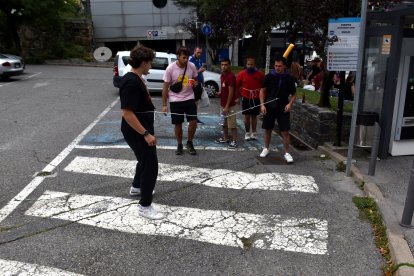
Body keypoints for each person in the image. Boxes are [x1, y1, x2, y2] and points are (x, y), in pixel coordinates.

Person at [119, 45, 163, 220]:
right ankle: (145, 206)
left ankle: (137, 187)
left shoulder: (137, 78)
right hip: (137, 131)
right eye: (150, 63)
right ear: (143, 63)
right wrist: (146, 134)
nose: (151, 66)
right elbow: (127, 113)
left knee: (143, 160)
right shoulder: (131, 81)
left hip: (139, 128)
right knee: (150, 165)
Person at [162, 46, 199, 155]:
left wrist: (195, 84)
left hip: (189, 97)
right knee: (178, 124)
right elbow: (165, 87)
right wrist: (164, 104)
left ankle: (189, 142)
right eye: (183, 57)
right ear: (178, 56)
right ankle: (179, 144)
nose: (185, 60)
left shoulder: (191, 66)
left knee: (193, 121)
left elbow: (195, 80)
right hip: (175, 99)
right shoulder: (170, 68)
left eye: (187, 57)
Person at [260, 56, 297, 163]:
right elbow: (262, 91)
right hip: (269, 105)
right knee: (268, 129)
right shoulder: (269, 76)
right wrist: (262, 105)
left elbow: (294, 94)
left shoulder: (289, 78)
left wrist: (290, 104)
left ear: (284, 66)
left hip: (283, 106)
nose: (277, 68)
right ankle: (266, 148)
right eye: (276, 66)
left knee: (285, 131)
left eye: (279, 66)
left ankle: (286, 153)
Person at [236, 57, 264, 141]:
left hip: (256, 97)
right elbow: (237, 85)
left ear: (254, 65)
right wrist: (238, 97)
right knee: (247, 116)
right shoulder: (242, 74)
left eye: (251, 64)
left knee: (254, 116)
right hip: (246, 97)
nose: (250, 66)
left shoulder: (260, 74)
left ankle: (254, 132)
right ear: (246, 65)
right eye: (248, 64)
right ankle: (247, 132)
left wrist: (263, 98)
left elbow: (264, 86)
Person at [215, 58, 238, 148]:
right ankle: (225, 138)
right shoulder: (222, 76)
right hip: (223, 104)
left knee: (232, 124)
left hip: (229, 105)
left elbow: (231, 93)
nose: (223, 66)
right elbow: (224, 89)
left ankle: (234, 141)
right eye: (222, 65)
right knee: (223, 123)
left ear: (229, 65)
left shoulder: (231, 76)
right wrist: (219, 93)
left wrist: (227, 106)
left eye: (225, 65)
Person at [189, 46, 206, 124]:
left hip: (199, 83)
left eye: (200, 53)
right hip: (193, 84)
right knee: (193, 102)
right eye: (198, 52)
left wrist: (202, 81)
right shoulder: (190, 60)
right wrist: (200, 71)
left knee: (197, 102)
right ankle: (192, 118)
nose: (199, 54)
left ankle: (194, 117)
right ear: (194, 51)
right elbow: (190, 74)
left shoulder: (198, 59)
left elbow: (200, 71)